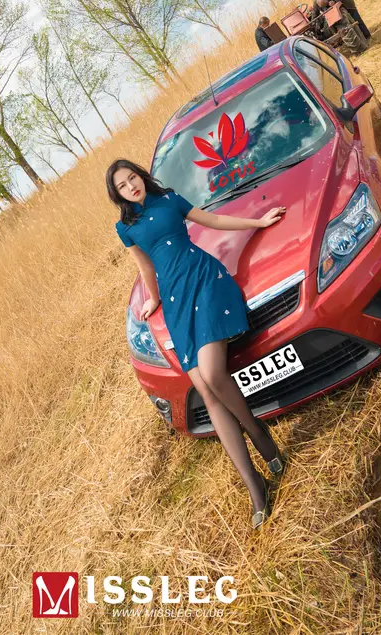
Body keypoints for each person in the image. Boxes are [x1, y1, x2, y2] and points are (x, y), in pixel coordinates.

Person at [107, 158, 288, 529]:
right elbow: (145, 267)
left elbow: (213, 220)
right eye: (122, 186)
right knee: (205, 390)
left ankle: (257, 432)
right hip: (175, 303)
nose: (131, 187)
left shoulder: (170, 200)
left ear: (141, 176)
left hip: (205, 281)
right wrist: (153, 299)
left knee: (212, 373)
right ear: (118, 195)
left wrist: (257, 222)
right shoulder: (125, 228)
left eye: (132, 178)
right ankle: (254, 485)